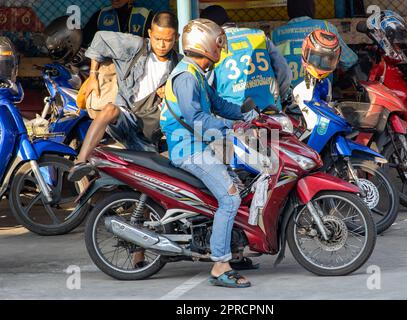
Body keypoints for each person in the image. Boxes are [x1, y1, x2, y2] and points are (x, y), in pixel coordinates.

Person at [160, 18, 251, 288]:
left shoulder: (196, 72)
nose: (221, 49)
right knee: (230, 198)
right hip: (189, 150)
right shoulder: (187, 77)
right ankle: (220, 264)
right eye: (218, 43)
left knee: (243, 182)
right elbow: (197, 119)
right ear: (205, 44)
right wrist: (231, 125)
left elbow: (218, 103)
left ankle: (235, 250)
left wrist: (247, 113)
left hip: (201, 146)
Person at [68, 11, 180, 182]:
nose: (162, 45)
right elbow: (100, 39)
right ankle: (81, 161)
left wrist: (171, 93)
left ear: (176, 38)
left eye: (168, 40)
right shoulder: (135, 45)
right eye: (158, 39)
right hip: (124, 118)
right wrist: (92, 75)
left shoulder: (179, 65)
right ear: (150, 34)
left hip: (147, 133)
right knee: (110, 109)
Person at [200, 5, 292, 110]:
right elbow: (284, 71)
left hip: (234, 118)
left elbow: (204, 87)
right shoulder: (258, 36)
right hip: (270, 113)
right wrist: (281, 98)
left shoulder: (213, 46)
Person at [271, 0, 357, 87]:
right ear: (312, 8)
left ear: (289, 9)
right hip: (320, 94)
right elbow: (349, 61)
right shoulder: (326, 27)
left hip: (287, 95)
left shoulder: (275, 34)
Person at [83, 0, 154, 46]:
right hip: (107, 61)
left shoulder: (144, 15)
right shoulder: (101, 14)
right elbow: (85, 40)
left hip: (135, 62)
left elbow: (152, 45)